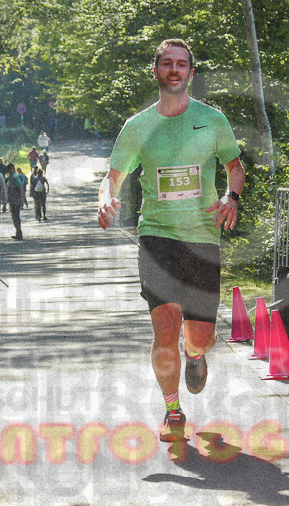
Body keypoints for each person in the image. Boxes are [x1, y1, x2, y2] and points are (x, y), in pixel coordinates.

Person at [97, 38, 244, 442]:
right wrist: (107, 201)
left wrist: (231, 197)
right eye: (167, 63)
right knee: (165, 327)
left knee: (199, 335)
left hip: (202, 237)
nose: (174, 69)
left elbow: (234, 167)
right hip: (156, 237)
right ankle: (172, 411)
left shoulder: (213, 120)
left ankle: (195, 356)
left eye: (182, 64)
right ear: (157, 70)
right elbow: (112, 178)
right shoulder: (138, 126)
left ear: (192, 73)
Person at [5, 163, 27, 239]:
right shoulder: (11, 178)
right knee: (14, 216)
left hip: (15, 200)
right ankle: (17, 232)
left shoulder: (15, 177)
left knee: (16, 216)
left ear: (13, 169)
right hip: (12, 200)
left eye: (10, 170)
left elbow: (20, 188)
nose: (9, 172)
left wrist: (21, 199)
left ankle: (19, 232)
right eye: (8, 171)